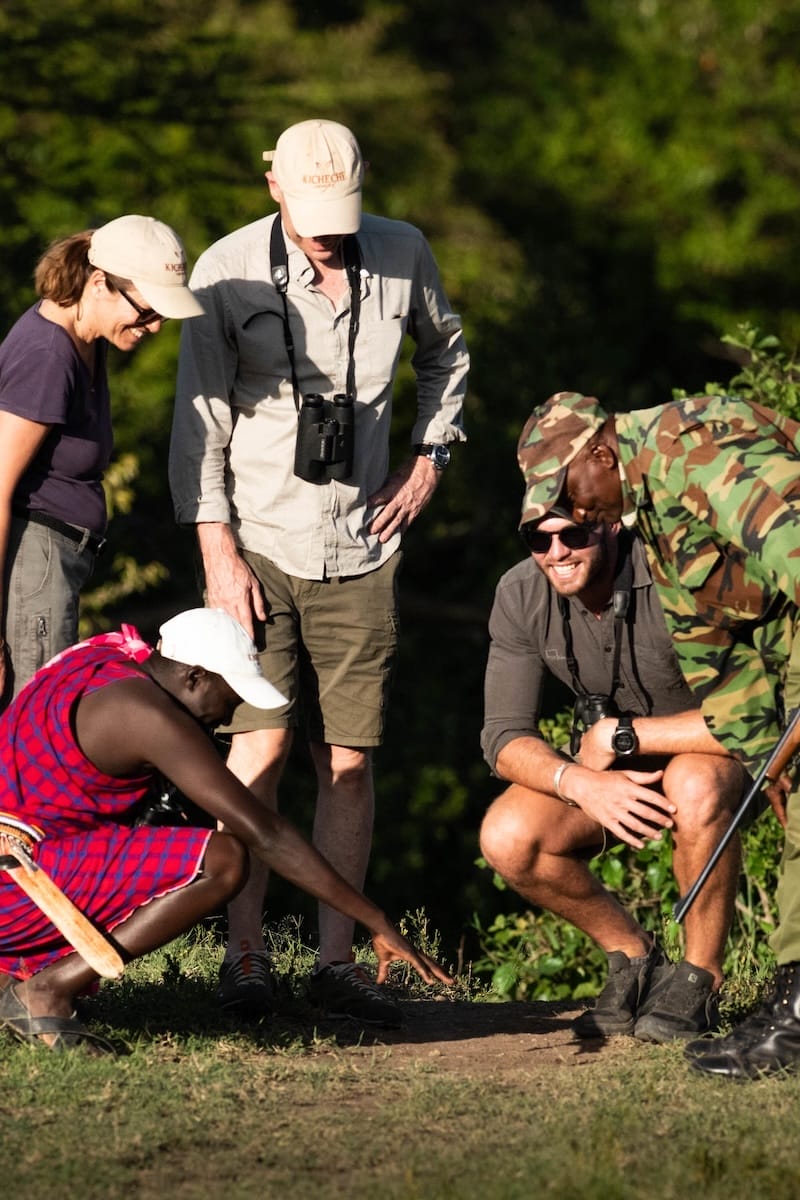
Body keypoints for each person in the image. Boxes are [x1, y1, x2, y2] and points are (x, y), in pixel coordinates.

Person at [168, 118, 468, 1026]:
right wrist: (217, 555)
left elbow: (445, 358)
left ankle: (336, 962)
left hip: (364, 545)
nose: (332, 231)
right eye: (312, 214)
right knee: (254, 753)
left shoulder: (404, 252)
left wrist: (428, 461)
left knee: (349, 760)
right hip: (258, 545)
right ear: (273, 189)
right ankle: (246, 957)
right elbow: (199, 426)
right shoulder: (225, 272)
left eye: (345, 211)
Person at [0, 608, 453, 1054]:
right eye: (229, 699)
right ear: (194, 677)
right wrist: (375, 920)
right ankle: (47, 990)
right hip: (12, 879)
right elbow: (266, 833)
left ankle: (14, 972)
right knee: (224, 860)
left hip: (18, 857)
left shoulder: (101, 657)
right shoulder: (149, 715)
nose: (227, 717)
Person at [515, 389, 800, 1077]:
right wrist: (772, 755)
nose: (574, 513)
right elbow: (716, 657)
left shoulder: (699, 454)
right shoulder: (654, 512)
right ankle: (793, 1008)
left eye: (571, 496)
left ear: (602, 455)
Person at [479, 469, 747, 1040]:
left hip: (711, 750)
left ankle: (701, 975)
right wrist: (577, 781)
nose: (556, 552)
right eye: (538, 539)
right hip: (614, 768)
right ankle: (634, 955)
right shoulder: (519, 592)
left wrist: (621, 738)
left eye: (572, 535)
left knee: (694, 784)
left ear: (608, 526)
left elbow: (752, 715)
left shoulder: (678, 570)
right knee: (507, 837)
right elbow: (502, 738)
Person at [0, 214, 203, 708]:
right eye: (147, 310)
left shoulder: (86, 340)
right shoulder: (48, 355)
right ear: (99, 284)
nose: (155, 327)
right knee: (36, 724)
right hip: (33, 562)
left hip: (56, 562)